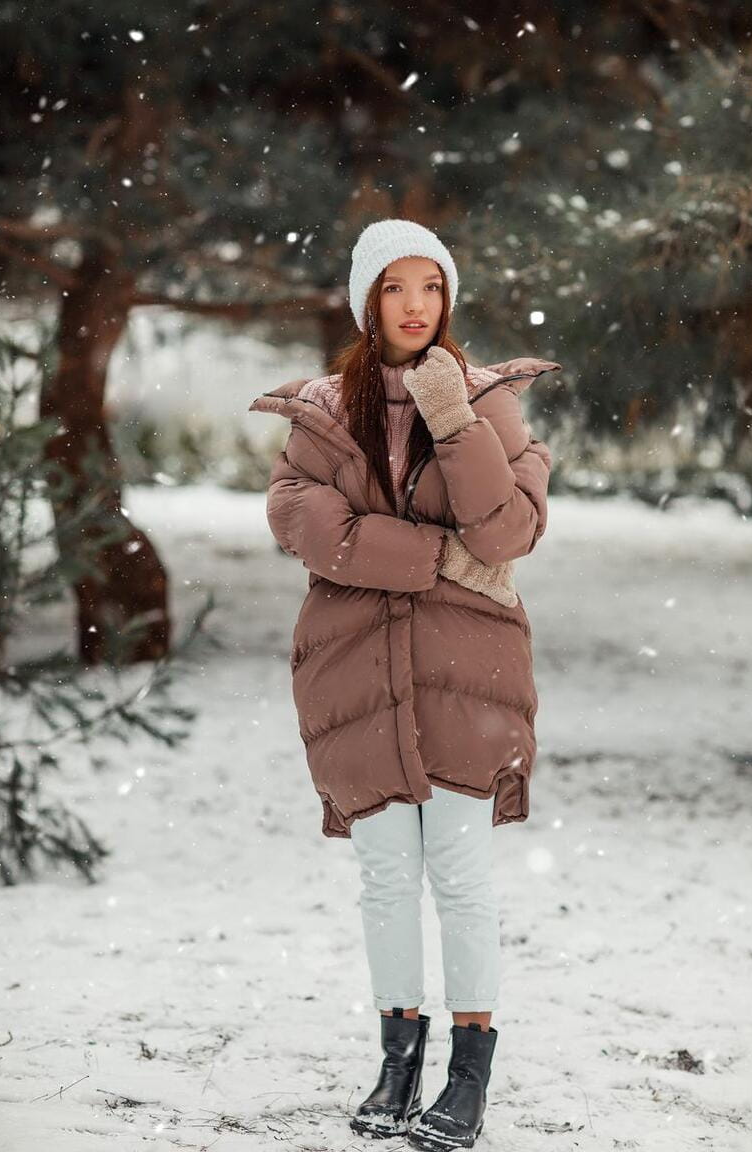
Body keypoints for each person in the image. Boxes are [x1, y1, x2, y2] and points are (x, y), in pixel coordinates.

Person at [248, 218, 559, 1150]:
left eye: (431, 286)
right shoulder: (320, 410)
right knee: (385, 879)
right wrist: (435, 557)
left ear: (447, 299)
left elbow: (504, 533)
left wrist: (451, 418)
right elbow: (310, 527)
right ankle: (396, 1065)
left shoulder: (486, 400)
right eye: (396, 287)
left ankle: (466, 1076)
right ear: (366, 300)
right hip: (353, 671)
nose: (416, 304)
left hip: (468, 673)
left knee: (459, 878)